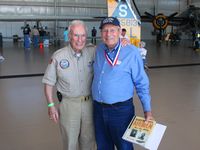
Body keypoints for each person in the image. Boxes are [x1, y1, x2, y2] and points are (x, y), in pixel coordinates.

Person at [92, 17, 153, 150]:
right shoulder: (98, 50)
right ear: (101, 33)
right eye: (105, 31)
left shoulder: (131, 52)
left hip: (121, 111)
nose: (108, 34)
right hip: (98, 109)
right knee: (102, 146)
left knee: (124, 146)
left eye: (112, 30)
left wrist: (147, 110)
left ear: (120, 31)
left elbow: (141, 82)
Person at [42, 20, 96, 150]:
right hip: (69, 105)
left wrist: (124, 42)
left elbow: (111, 48)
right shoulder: (59, 56)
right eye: (76, 35)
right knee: (70, 143)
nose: (80, 40)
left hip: (90, 105)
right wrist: (51, 105)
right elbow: (48, 83)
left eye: (83, 35)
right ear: (69, 35)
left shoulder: (93, 51)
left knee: (89, 142)